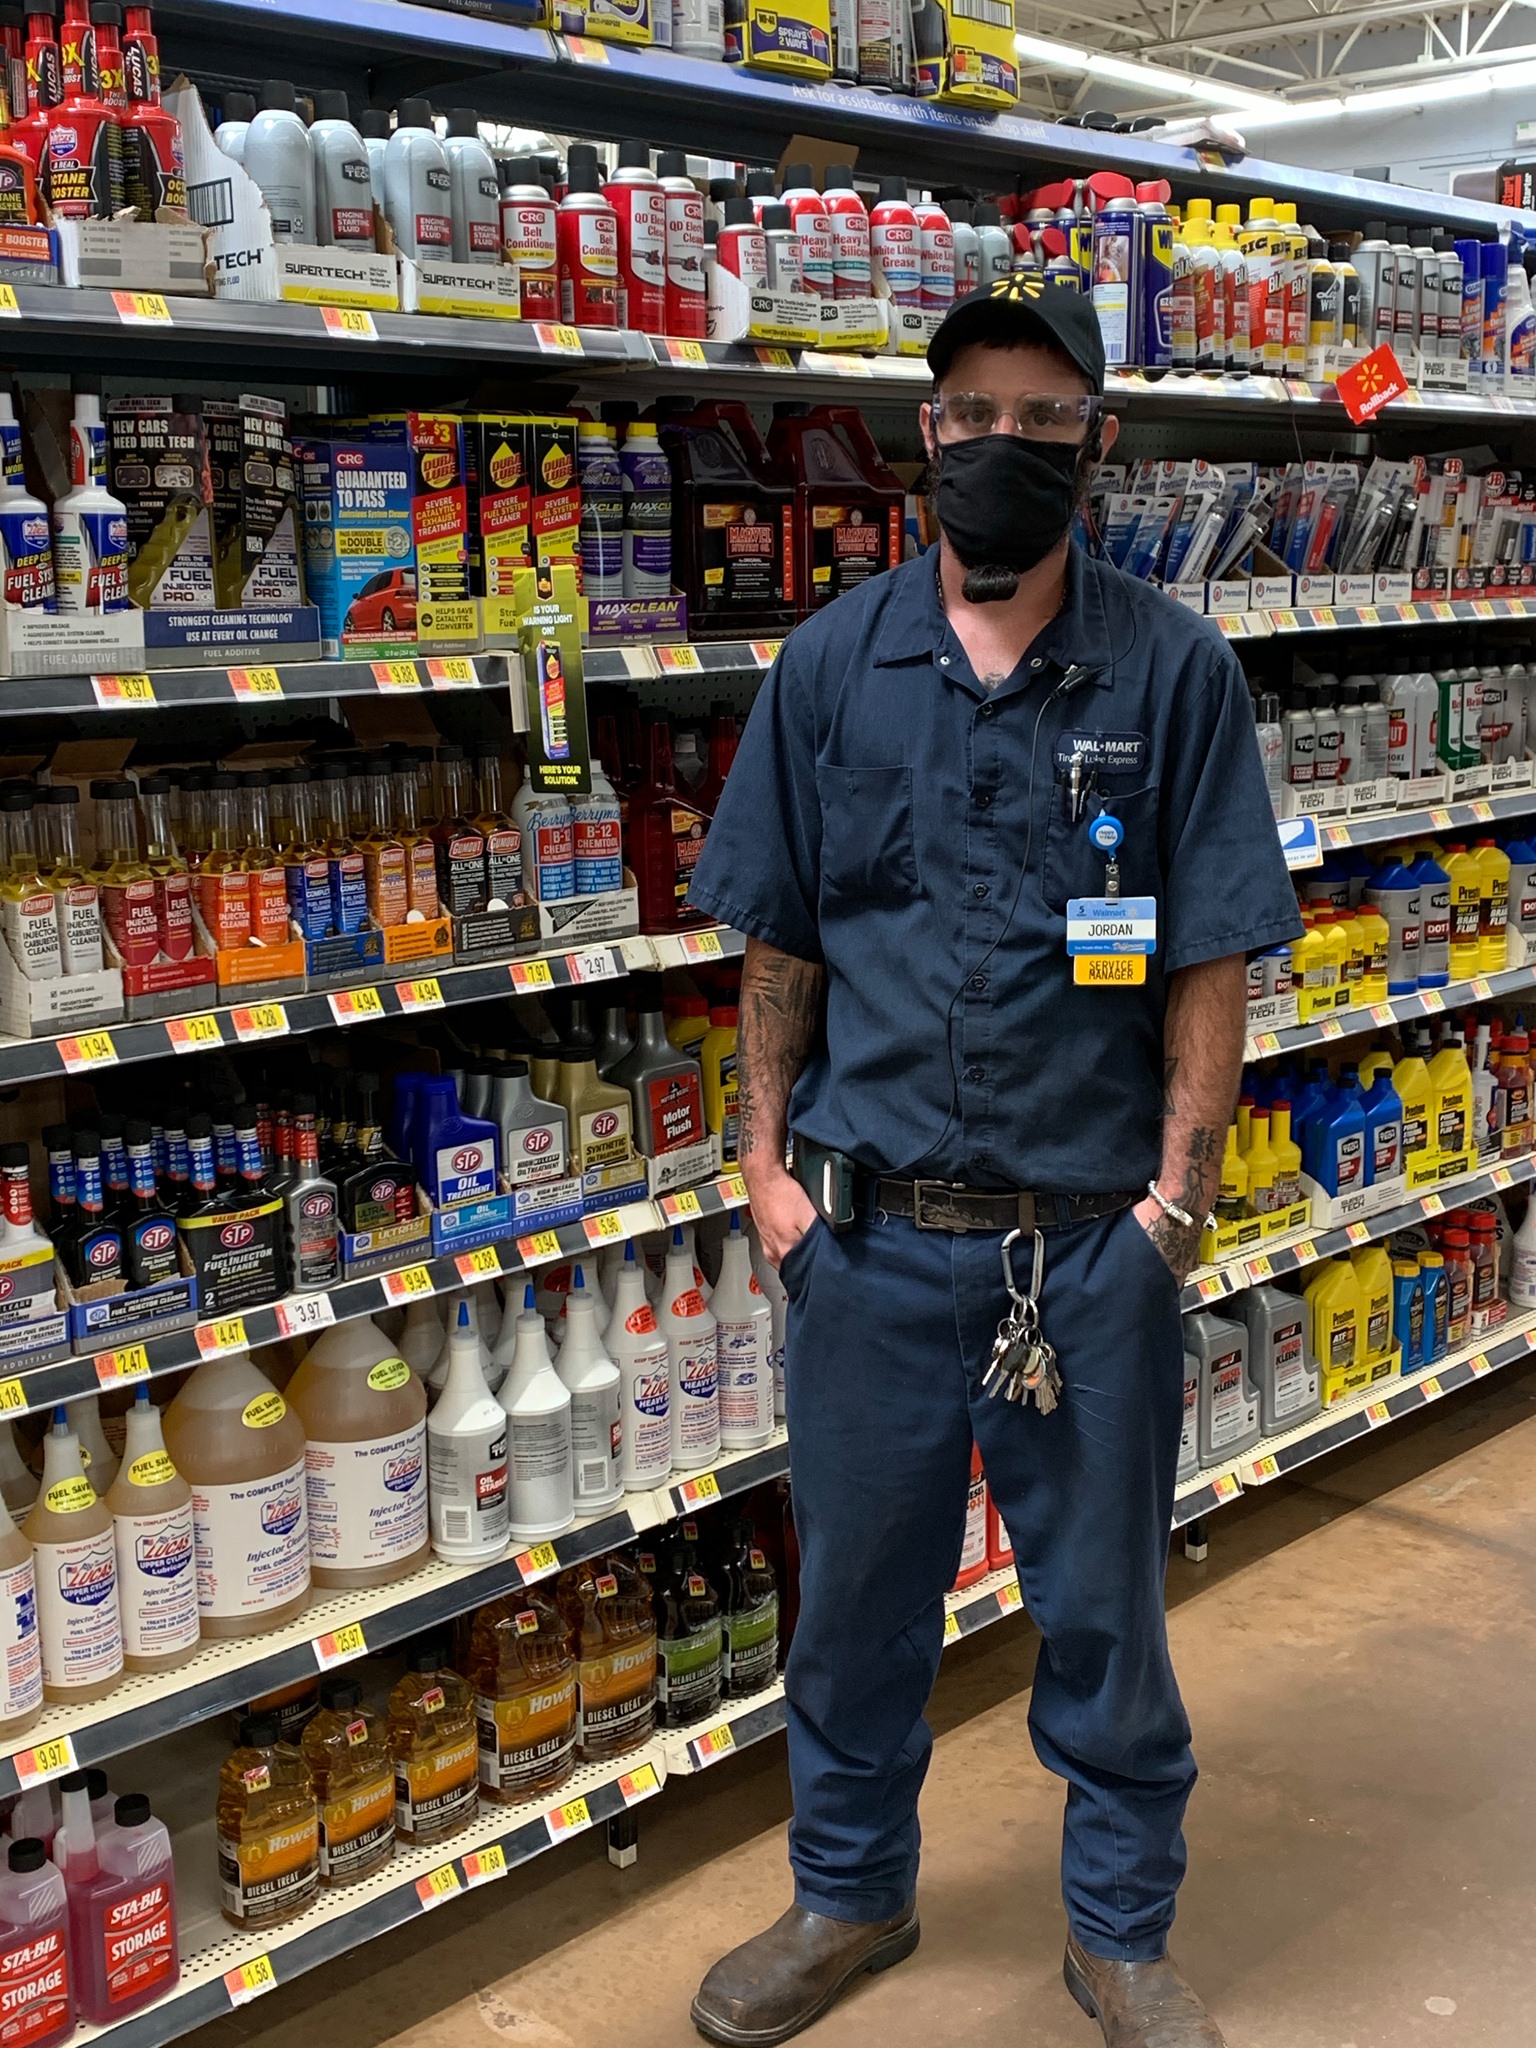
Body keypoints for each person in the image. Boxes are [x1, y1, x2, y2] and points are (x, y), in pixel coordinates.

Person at [684, 274, 1301, 2048]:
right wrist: (764, 1171)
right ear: (925, 435)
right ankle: (848, 1897)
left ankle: (1119, 1935)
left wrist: (1175, 1207)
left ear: (1097, 443)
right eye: (974, 415)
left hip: (1087, 1250)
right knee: (855, 1612)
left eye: (1044, 418)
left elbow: (1212, 954)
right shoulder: (832, 666)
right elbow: (781, 937)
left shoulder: (1173, 671)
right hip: (866, 1243)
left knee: (1105, 1622)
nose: (1003, 444)